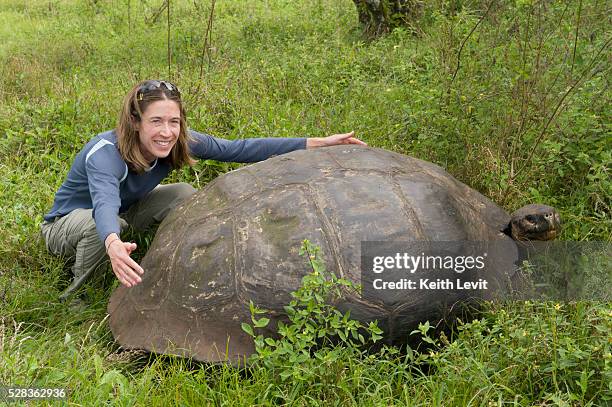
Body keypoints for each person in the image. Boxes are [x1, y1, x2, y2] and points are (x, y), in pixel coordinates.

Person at [41, 80, 366, 300]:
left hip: (122, 215)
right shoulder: (105, 154)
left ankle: (166, 262)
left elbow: (241, 148)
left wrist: (316, 144)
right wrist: (112, 242)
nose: (166, 132)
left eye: (174, 121)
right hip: (68, 226)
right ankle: (76, 293)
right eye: (156, 121)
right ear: (136, 121)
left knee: (181, 193)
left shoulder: (175, 142)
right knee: (106, 225)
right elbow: (104, 204)